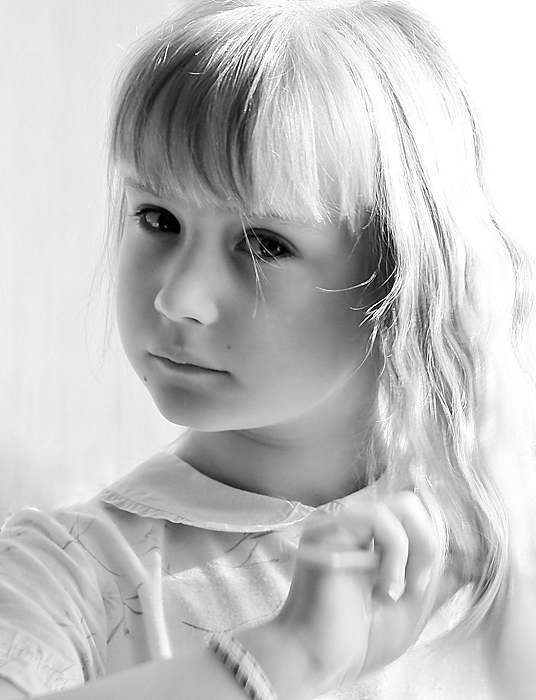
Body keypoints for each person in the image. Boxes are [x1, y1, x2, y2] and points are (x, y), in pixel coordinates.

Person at [0, 0, 535, 697]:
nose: (178, 298)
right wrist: (288, 654)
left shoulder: (490, 563)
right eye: (158, 218)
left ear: (404, 272)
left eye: (263, 244)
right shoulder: (56, 581)